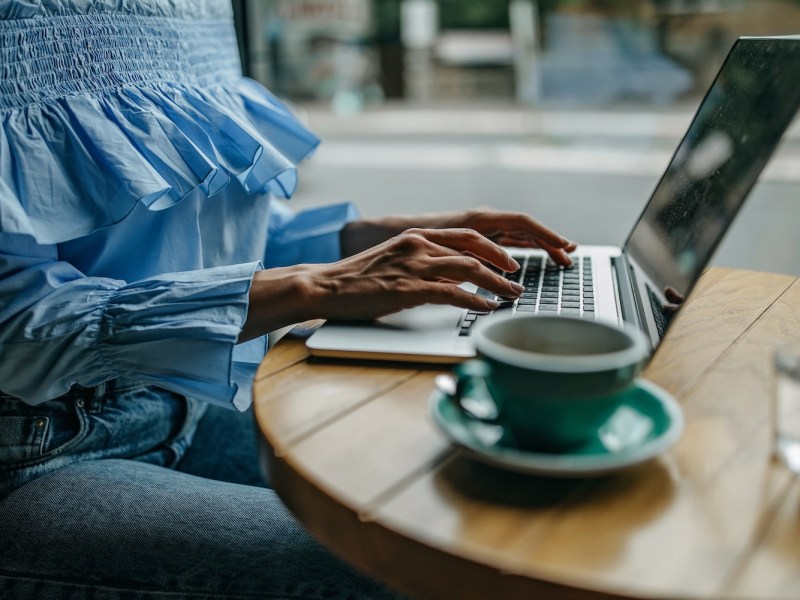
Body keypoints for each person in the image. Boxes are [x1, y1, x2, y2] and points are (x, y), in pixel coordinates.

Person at [0, 2, 576, 599]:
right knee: (425, 564)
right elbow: (19, 327)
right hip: (41, 451)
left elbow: (204, 229)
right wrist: (318, 287)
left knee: (473, 497)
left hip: (187, 401)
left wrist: (373, 240)